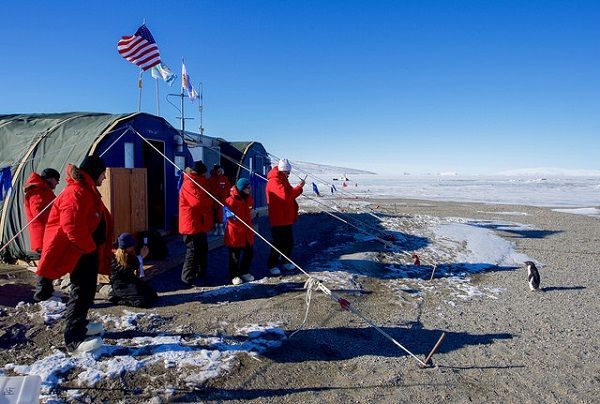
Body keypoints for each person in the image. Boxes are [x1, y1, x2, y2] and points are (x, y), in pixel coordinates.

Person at [36, 155, 113, 353]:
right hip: (80, 253)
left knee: (86, 292)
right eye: (103, 174)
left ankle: (81, 325)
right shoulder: (76, 192)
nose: (104, 179)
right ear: (95, 172)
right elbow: (71, 226)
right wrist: (88, 248)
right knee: (80, 292)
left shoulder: (86, 190)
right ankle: (73, 338)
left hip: (87, 252)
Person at [23, 168, 60, 301]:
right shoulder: (38, 191)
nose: (57, 184)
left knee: (49, 263)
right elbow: (38, 211)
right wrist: (56, 213)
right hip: (42, 234)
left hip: (46, 233)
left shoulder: (43, 190)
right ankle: (42, 294)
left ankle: (48, 291)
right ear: (50, 178)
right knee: (45, 264)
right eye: (56, 180)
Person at [265, 158, 304, 275]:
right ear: (283, 170)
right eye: (288, 172)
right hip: (279, 218)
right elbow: (286, 196)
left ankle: (285, 261)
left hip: (285, 217)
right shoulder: (274, 181)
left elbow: (289, 193)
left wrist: (296, 189)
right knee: (277, 243)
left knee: (288, 242)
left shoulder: (282, 179)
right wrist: (299, 188)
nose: (289, 175)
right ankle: (272, 264)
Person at [179, 161, 213, 286]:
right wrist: (209, 201)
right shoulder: (189, 183)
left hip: (199, 223)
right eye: (204, 173)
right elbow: (197, 202)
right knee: (192, 251)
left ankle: (201, 273)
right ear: (199, 173)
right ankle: (187, 278)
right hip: (191, 223)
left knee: (203, 249)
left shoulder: (198, 182)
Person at [109, 233, 158, 307]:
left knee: (152, 295)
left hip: (131, 280)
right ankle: (117, 299)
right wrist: (141, 257)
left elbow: (134, 267)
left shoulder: (130, 253)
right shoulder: (116, 258)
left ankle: (123, 295)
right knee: (141, 302)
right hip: (121, 284)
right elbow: (126, 271)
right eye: (131, 246)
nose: (133, 247)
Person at [224, 178, 255, 285]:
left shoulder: (249, 199)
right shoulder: (230, 200)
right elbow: (222, 215)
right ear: (242, 189)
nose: (249, 189)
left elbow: (249, 212)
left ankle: (244, 271)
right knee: (234, 256)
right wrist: (227, 214)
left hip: (247, 231)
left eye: (249, 187)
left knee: (249, 253)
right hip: (235, 233)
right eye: (247, 187)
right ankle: (234, 275)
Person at [208, 164, 231, 236]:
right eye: (218, 170)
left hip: (222, 201)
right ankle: (215, 229)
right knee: (214, 215)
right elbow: (209, 189)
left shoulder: (224, 179)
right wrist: (215, 196)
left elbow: (227, 188)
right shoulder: (211, 179)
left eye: (220, 170)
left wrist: (222, 196)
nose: (219, 171)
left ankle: (221, 229)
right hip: (214, 201)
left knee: (221, 215)